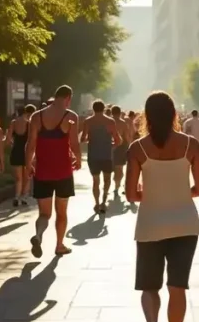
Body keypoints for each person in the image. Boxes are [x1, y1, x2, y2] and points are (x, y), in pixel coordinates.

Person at [125, 92, 199, 322]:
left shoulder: (138, 149)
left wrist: (153, 193)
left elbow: (131, 195)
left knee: (149, 286)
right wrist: (180, 193)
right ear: (174, 115)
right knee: (177, 287)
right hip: (185, 223)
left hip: (149, 223)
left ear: (146, 116)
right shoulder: (191, 145)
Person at [25, 85, 82, 257]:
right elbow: (74, 143)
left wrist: (28, 164)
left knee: (44, 214)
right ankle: (59, 245)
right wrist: (78, 159)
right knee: (61, 212)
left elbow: (30, 144)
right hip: (63, 172)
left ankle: (38, 235)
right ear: (68, 98)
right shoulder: (71, 117)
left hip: (42, 172)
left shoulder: (36, 117)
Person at [80, 100, 121, 214]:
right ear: (103, 109)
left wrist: (88, 139)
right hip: (107, 155)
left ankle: (97, 203)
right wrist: (112, 145)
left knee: (95, 181)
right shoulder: (110, 121)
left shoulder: (88, 121)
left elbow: (83, 138)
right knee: (107, 180)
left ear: (93, 109)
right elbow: (118, 140)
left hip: (93, 155)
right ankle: (103, 202)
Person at [6, 105, 35, 207]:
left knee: (18, 178)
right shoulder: (29, 124)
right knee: (26, 176)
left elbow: (8, 139)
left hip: (16, 150)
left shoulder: (13, 123)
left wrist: (12, 143)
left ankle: (16, 196)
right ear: (26, 113)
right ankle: (24, 197)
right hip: (27, 152)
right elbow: (32, 139)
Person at [111, 105, 134, 196]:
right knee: (119, 168)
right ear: (120, 113)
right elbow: (127, 137)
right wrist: (129, 146)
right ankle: (117, 186)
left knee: (109, 169)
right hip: (121, 147)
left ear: (112, 112)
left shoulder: (107, 122)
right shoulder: (123, 123)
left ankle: (114, 184)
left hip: (108, 147)